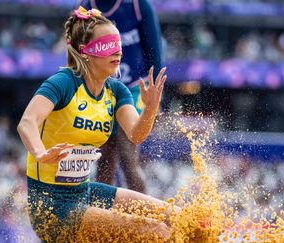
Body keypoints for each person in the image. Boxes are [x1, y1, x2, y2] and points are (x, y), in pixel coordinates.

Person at [17, 7, 171, 242]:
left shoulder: (117, 90)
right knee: (157, 232)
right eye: (108, 45)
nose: (117, 52)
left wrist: (149, 108)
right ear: (85, 52)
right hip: (51, 207)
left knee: (173, 216)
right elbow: (27, 123)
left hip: (84, 192)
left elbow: (136, 135)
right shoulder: (64, 82)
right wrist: (41, 153)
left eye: (118, 45)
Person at [80, 0, 163, 193]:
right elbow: (77, 56)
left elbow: (155, 53)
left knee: (128, 155)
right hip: (102, 90)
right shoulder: (86, 8)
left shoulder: (137, 5)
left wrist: (156, 99)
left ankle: (146, 217)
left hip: (135, 87)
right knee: (104, 161)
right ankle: (103, 219)